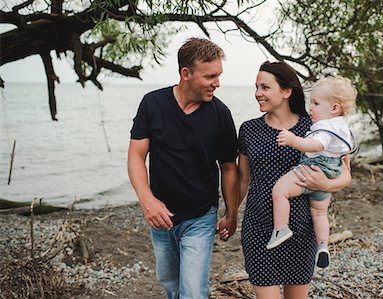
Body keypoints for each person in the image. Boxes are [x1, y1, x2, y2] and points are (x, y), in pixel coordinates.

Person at [127, 37, 239, 299]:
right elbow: (135, 156)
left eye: (219, 75)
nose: (217, 83)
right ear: (186, 74)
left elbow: (229, 168)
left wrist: (232, 213)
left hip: (200, 216)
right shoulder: (152, 104)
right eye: (210, 76)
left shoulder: (220, 114)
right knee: (169, 282)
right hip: (160, 217)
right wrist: (147, 201)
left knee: (193, 291)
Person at [238, 61, 352, 299]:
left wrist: (325, 185)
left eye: (265, 87)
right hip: (259, 229)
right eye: (256, 87)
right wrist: (229, 215)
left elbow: (345, 174)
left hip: (302, 230)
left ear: (286, 91)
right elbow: (242, 179)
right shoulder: (249, 130)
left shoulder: (315, 128)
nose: (258, 93)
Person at [266, 76, 357, 270]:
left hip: (314, 168)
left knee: (280, 190)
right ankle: (323, 245)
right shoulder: (342, 128)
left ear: (334, 108)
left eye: (315, 103)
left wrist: (292, 140)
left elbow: (316, 145)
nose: (310, 108)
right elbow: (345, 158)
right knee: (319, 212)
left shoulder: (327, 126)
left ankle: (281, 228)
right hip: (331, 170)